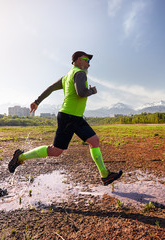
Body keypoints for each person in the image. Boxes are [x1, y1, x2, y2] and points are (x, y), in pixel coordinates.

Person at [8, 51, 122, 185]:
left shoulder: (67, 76)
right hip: (69, 117)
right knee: (55, 150)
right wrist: (92, 91)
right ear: (79, 60)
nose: (89, 65)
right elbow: (81, 93)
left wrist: (37, 102)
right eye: (87, 61)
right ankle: (20, 157)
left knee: (94, 141)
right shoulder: (79, 73)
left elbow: (50, 88)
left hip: (75, 117)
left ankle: (105, 175)